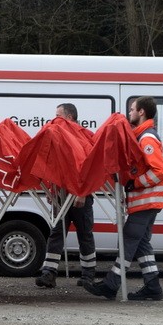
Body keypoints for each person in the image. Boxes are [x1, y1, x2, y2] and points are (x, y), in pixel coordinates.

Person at [82, 96, 163, 301]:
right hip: (147, 202)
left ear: (141, 112)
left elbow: (159, 171)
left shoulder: (146, 138)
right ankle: (153, 286)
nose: (129, 113)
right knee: (141, 244)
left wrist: (134, 183)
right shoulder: (143, 136)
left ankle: (111, 285)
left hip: (146, 201)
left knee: (128, 240)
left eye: (132, 110)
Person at [35, 103, 96, 289]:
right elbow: (55, 167)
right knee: (56, 233)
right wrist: (52, 191)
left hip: (79, 195)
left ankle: (88, 276)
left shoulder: (82, 136)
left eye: (58, 115)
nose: (54, 119)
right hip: (61, 195)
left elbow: (87, 168)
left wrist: (82, 192)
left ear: (69, 116)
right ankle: (49, 273)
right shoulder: (59, 134)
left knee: (84, 234)